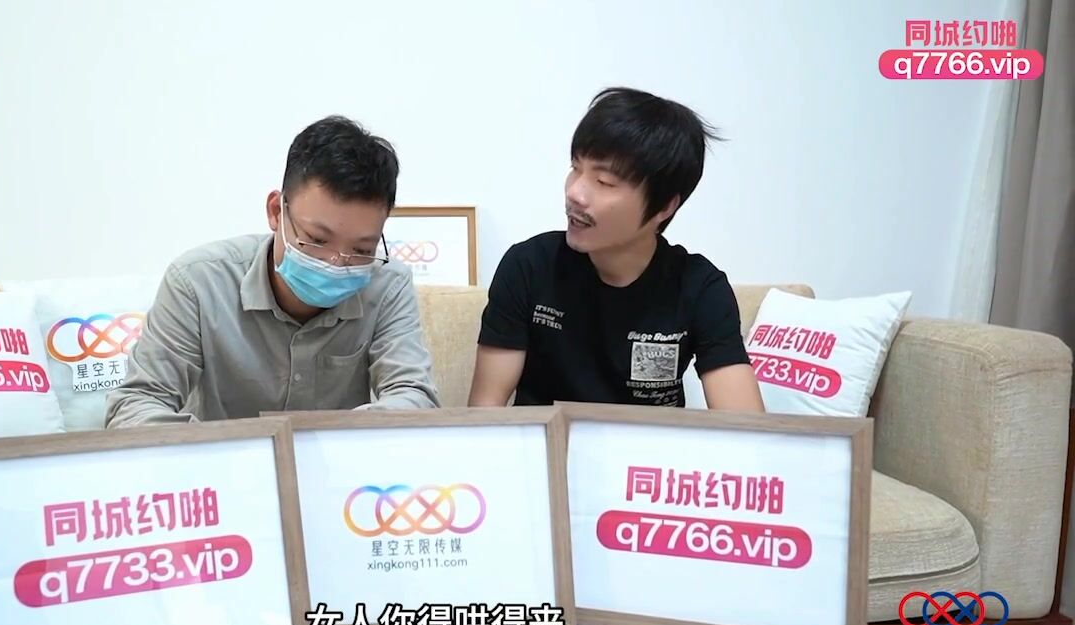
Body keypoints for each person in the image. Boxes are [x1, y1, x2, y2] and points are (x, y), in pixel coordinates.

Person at [106, 115, 439, 427]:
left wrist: (338, 443)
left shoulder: (388, 285)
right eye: (316, 240)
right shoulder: (197, 283)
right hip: (225, 466)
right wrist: (221, 452)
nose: (336, 263)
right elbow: (138, 403)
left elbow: (413, 396)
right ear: (276, 212)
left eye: (362, 250)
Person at [468, 87, 764, 412]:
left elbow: (746, 428)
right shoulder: (529, 266)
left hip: (647, 445)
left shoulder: (699, 287)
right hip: (547, 443)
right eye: (575, 168)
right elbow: (486, 411)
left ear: (664, 206)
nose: (575, 193)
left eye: (604, 182)